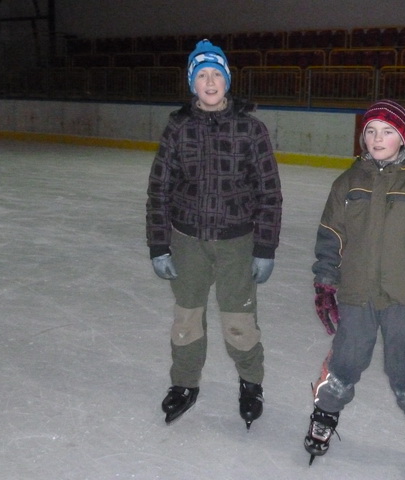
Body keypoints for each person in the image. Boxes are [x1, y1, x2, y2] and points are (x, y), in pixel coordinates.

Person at [303, 100, 405, 476]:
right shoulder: (347, 183)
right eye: (370, 131)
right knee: (346, 361)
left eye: (387, 131)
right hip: (356, 292)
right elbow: (330, 238)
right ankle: (324, 414)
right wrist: (325, 284)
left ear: (402, 136)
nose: (377, 138)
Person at [146, 39, 283, 429]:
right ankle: (184, 383)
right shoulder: (178, 128)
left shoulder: (251, 130)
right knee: (186, 319)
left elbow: (269, 192)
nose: (209, 82)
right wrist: (159, 244)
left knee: (239, 321)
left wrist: (265, 247)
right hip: (186, 241)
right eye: (202, 75)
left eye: (216, 74)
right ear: (192, 83)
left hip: (236, 243)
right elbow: (159, 189)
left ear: (227, 81)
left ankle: (251, 383)